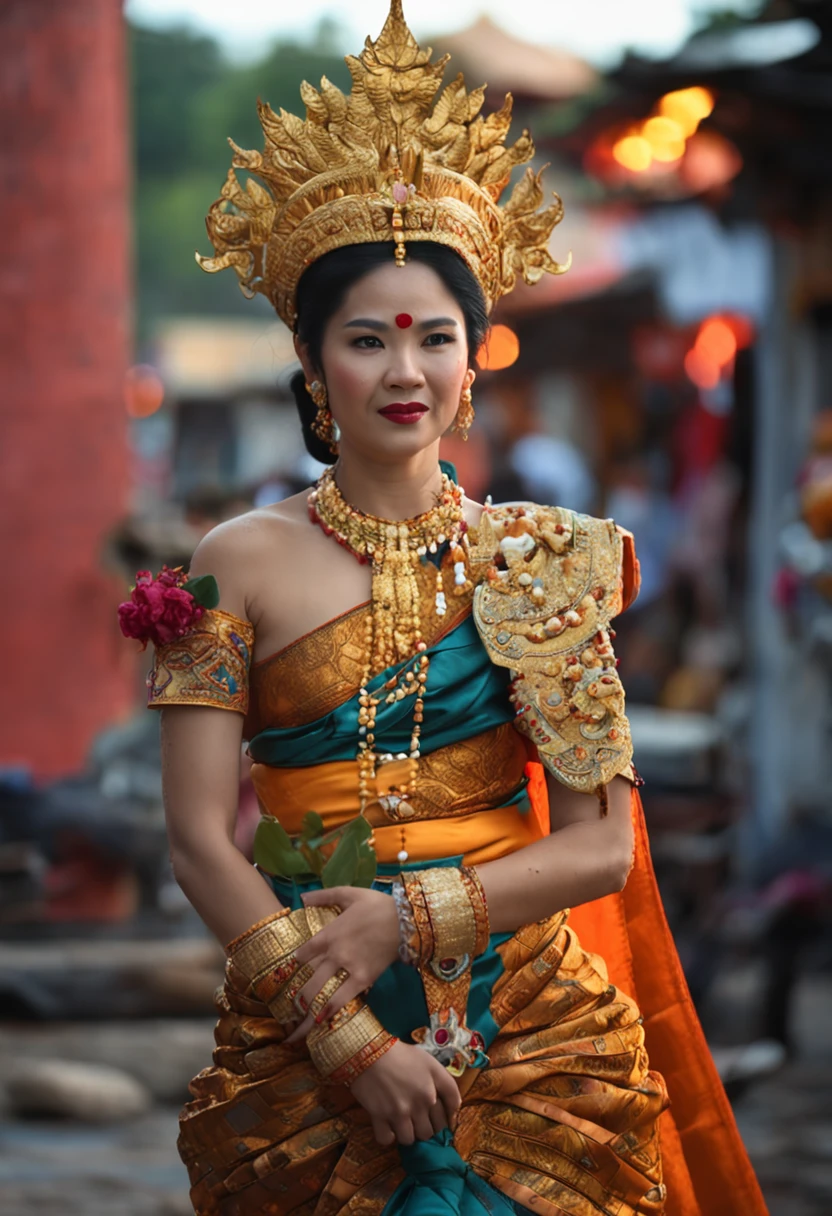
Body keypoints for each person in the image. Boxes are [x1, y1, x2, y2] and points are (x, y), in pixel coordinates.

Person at [122, 4, 768, 1213]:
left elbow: (599, 841)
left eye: (435, 338)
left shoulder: (542, 559)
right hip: (307, 1018)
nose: (403, 371)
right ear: (314, 364)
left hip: (529, 1030)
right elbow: (203, 839)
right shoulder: (236, 562)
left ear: (476, 358)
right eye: (367, 339)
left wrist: (406, 920)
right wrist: (348, 1038)